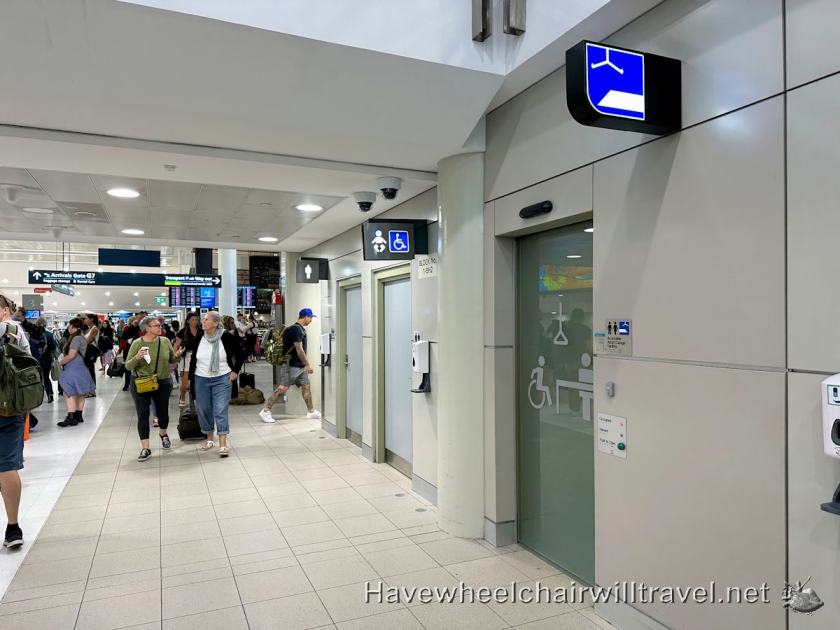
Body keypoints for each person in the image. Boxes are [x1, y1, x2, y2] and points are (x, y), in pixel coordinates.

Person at [125, 316, 183, 462]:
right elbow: (128, 366)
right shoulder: (137, 344)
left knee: (163, 412)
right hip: (141, 382)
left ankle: (163, 434)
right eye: (156, 325)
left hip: (162, 382)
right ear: (147, 328)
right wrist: (137, 357)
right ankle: (145, 447)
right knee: (143, 414)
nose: (160, 328)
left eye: (160, 325)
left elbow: (172, 360)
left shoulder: (164, 341)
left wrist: (177, 356)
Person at [188, 311, 244, 458]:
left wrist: (235, 371)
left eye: (206, 320)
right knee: (204, 409)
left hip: (222, 378)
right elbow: (194, 358)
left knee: (220, 410)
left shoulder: (226, 337)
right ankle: (209, 438)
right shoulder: (200, 336)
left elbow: (240, 354)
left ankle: (223, 444)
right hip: (201, 378)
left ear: (215, 323)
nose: (203, 322)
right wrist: (190, 378)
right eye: (203, 320)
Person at [0, 293, 30, 548]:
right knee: (7, 465)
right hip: (11, 406)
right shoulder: (17, 332)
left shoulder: (6, 329)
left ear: (4, 310)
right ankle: (13, 527)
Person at [259, 308, 321, 423]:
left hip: (299, 366)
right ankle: (266, 411)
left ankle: (311, 411)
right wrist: (308, 364)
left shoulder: (299, 329)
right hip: (291, 365)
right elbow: (299, 349)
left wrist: (304, 365)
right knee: (282, 388)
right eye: (311, 317)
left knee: (306, 386)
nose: (311, 320)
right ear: (305, 316)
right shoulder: (295, 330)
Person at [57, 317, 95, 427]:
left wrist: (59, 363)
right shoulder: (82, 337)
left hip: (73, 368)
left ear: (73, 326)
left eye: (69, 325)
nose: (68, 327)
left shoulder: (76, 339)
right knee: (80, 393)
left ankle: (71, 417)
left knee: (68, 392)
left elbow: (71, 355)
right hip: (81, 368)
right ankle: (79, 415)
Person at [173, 312, 199, 408]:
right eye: (193, 320)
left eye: (196, 320)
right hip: (187, 356)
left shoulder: (201, 331)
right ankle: (183, 397)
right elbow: (176, 345)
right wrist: (174, 357)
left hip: (199, 357)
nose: (195, 322)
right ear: (188, 321)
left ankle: (196, 398)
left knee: (197, 380)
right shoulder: (182, 332)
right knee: (184, 382)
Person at [30, 318, 57, 403]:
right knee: (45, 377)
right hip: (47, 359)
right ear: (45, 325)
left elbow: (30, 348)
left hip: (35, 360)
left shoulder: (32, 335)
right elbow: (53, 347)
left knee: (36, 378)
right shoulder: (49, 335)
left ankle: (37, 397)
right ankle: (50, 394)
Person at [120, 316, 141, 391]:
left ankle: (137, 383)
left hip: (137, 349)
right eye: (133, 320)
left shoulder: (139, 327)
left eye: (136, 320)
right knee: (127, 367)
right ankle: (127, 384)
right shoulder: (127, 328)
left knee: (138, 366)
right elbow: (124, 337)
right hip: (128, 349)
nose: (135, 321)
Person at [82, 313, 100, 396]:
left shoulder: (94, 329)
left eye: (86, 318)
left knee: (90, 370)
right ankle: (90, 389)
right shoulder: (90, 329)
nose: (85, 320)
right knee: (88, 370)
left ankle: (92, 390)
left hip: (91, 351)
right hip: (88, 351)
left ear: (91, 319)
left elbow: (87, 341)